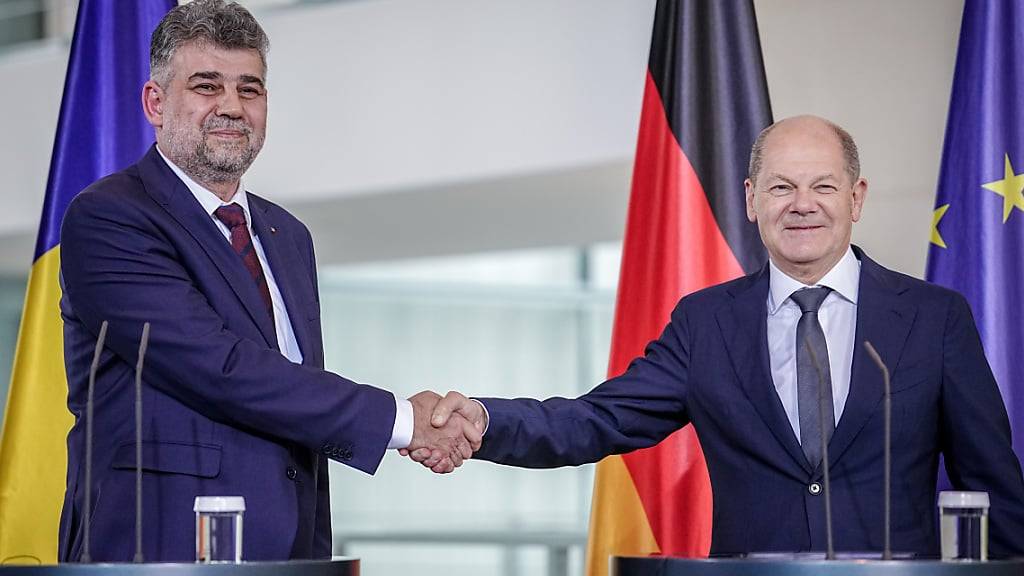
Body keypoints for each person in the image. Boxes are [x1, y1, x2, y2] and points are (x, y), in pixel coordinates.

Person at [417, 115, 1024, 557]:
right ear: (752, 200)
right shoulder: (705, 322)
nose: (802, 205)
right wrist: (481, 419)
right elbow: (596, 419)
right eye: (782, 187)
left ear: (856, 198)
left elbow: (994, 485)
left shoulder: (933, 317)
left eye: (824, 186)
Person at [58, 0, 476, 563]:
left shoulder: (288, 235)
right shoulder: (110, 217)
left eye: (249, 89)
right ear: (155, 103)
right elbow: (223, 369)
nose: (231, 107)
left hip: (290, 554)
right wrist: (404, 421)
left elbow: (295, 395)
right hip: (162, 553)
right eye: (207, 86)